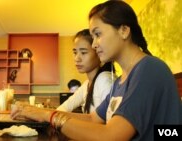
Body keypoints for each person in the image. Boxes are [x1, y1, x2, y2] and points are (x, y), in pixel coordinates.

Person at [11, 1, 181, 140]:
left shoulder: (149, 69)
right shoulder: (121, 81)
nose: (93, 44)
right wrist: (42, 113)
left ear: (124, 31)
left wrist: (50, 117)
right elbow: (95, 119)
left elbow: (111, 136)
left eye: (98, 34)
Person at [57, 29, 115, 113]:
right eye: (75, 52)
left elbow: (110, 122)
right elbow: (65, 107)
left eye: (83, 52)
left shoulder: (105, 79)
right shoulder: (86, 85)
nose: (77, 58)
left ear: (99, 53)